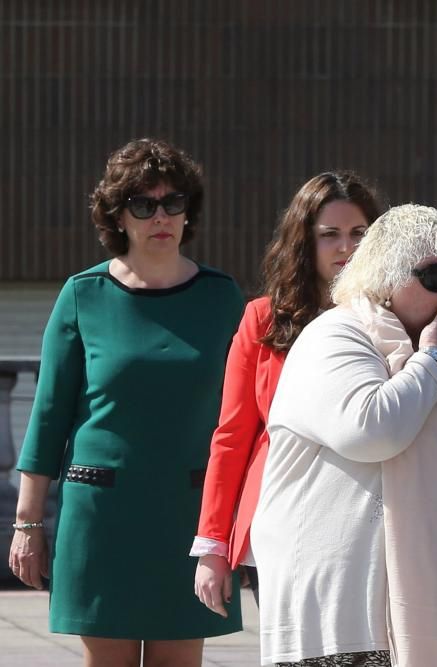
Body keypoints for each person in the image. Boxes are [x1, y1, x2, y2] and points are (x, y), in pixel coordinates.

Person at [7, 138, 245, 666]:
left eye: (172, 203)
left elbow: (247, 415)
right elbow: (48, 415)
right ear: (118, 216)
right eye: (143, 204)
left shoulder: (222, 297)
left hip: (190, 515)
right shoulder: (82, 294)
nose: (160, 216)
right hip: (103, 515)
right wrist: (27, 524)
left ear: (189, 211)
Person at [251, 204, 437, 667]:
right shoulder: (336, 337)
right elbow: (371, 429)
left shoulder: (430, 349)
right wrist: (434, 360)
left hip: (384, 622)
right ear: (387, 274)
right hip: (337, 625)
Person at [190, 171, 386, 617]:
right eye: (329, 234)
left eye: (359, 233)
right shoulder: (263, 318)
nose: (346, 247)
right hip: (283, 523)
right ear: (304, 240)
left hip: (371, 524)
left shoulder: (396, 315)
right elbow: (232, 435)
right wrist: (213, 544)